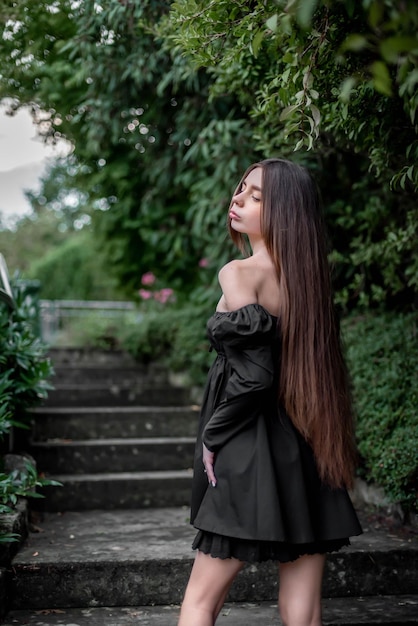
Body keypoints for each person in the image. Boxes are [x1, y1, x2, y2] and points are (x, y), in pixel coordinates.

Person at [178, 158, 362, 626]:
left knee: (201, 601)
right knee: (303, 611)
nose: (237, 198)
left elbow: (255, 376)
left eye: (256, 196)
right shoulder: (307, 283)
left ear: (287, 211)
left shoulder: (239, 273)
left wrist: (213, 436)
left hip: (248, 448)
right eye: (241, 189)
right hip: (306, 445)